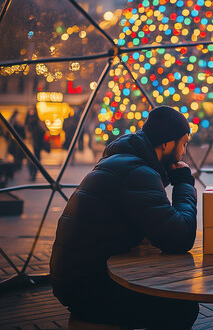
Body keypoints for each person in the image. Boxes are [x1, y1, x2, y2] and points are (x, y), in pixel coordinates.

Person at [50, 106, 199, 329]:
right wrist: (184, 183)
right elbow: (180, 237)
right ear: (167, 143)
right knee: (182, 307)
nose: (184, 152)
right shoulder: (137, 174)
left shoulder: (124, 162)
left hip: (76, 279)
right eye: (184, 143)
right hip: (89, 290)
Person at [24, 107, 46, 181]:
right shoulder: (31, 123)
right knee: (33, 160)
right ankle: (32, 174)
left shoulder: (37, 123)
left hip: (35, 145)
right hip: (32, 144)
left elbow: (42, 133)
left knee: (33, 160)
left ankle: (33, 175)